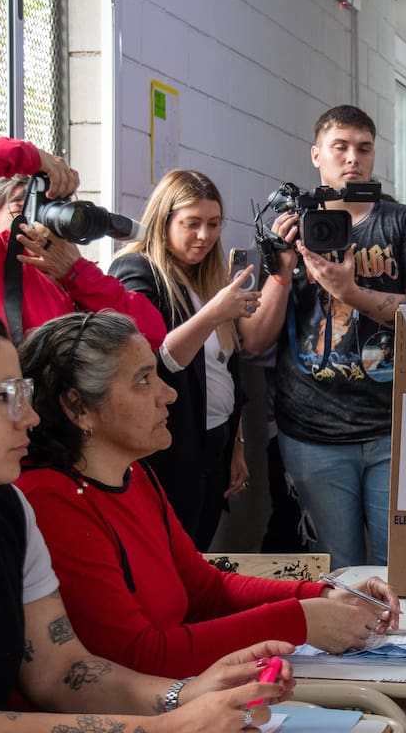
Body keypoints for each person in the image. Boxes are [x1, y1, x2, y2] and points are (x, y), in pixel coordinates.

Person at [0, 301, 292, 733]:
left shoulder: (4, 506)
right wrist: (168, 726)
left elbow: (61, 671)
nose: (29, 416)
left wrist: (185, 694)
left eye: (23, 392)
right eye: (3, 396)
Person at [14, 310, 401, 679]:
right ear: (77, 407)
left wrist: (325, 594)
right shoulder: (50, 501)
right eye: (144, 380)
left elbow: (206, 591)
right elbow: (135, 657)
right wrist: (301, 620)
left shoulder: (134, 474)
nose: (169, 395)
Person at [240, 104, 406, 570]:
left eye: (363, 148)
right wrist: (283, 270)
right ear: (317, 155)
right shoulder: (287, 230)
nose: (353, 158)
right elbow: (254, 342)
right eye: (340, 147)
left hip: (396, 428)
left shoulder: (405, 222)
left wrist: (350, 292)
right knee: (338, 570)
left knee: (403, 568)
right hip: (313, 433)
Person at [108, 170, 290, 549]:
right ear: (163, 222)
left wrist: (235, 445)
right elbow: (154, 363)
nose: (204, 236)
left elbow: (225, 370)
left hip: (214, 441)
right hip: (169, 445)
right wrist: (213, 315)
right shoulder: (137, 271)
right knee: (170, 553)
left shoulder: (205, 280)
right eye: (191, 224)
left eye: (213, 224)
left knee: (196, 553)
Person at [0, 137, 166, 348]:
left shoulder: (73, 279)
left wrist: (76, 272)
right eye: (20, 206)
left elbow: (152, 334)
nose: (36, 221)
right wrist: (33, 157)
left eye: (48, 208)